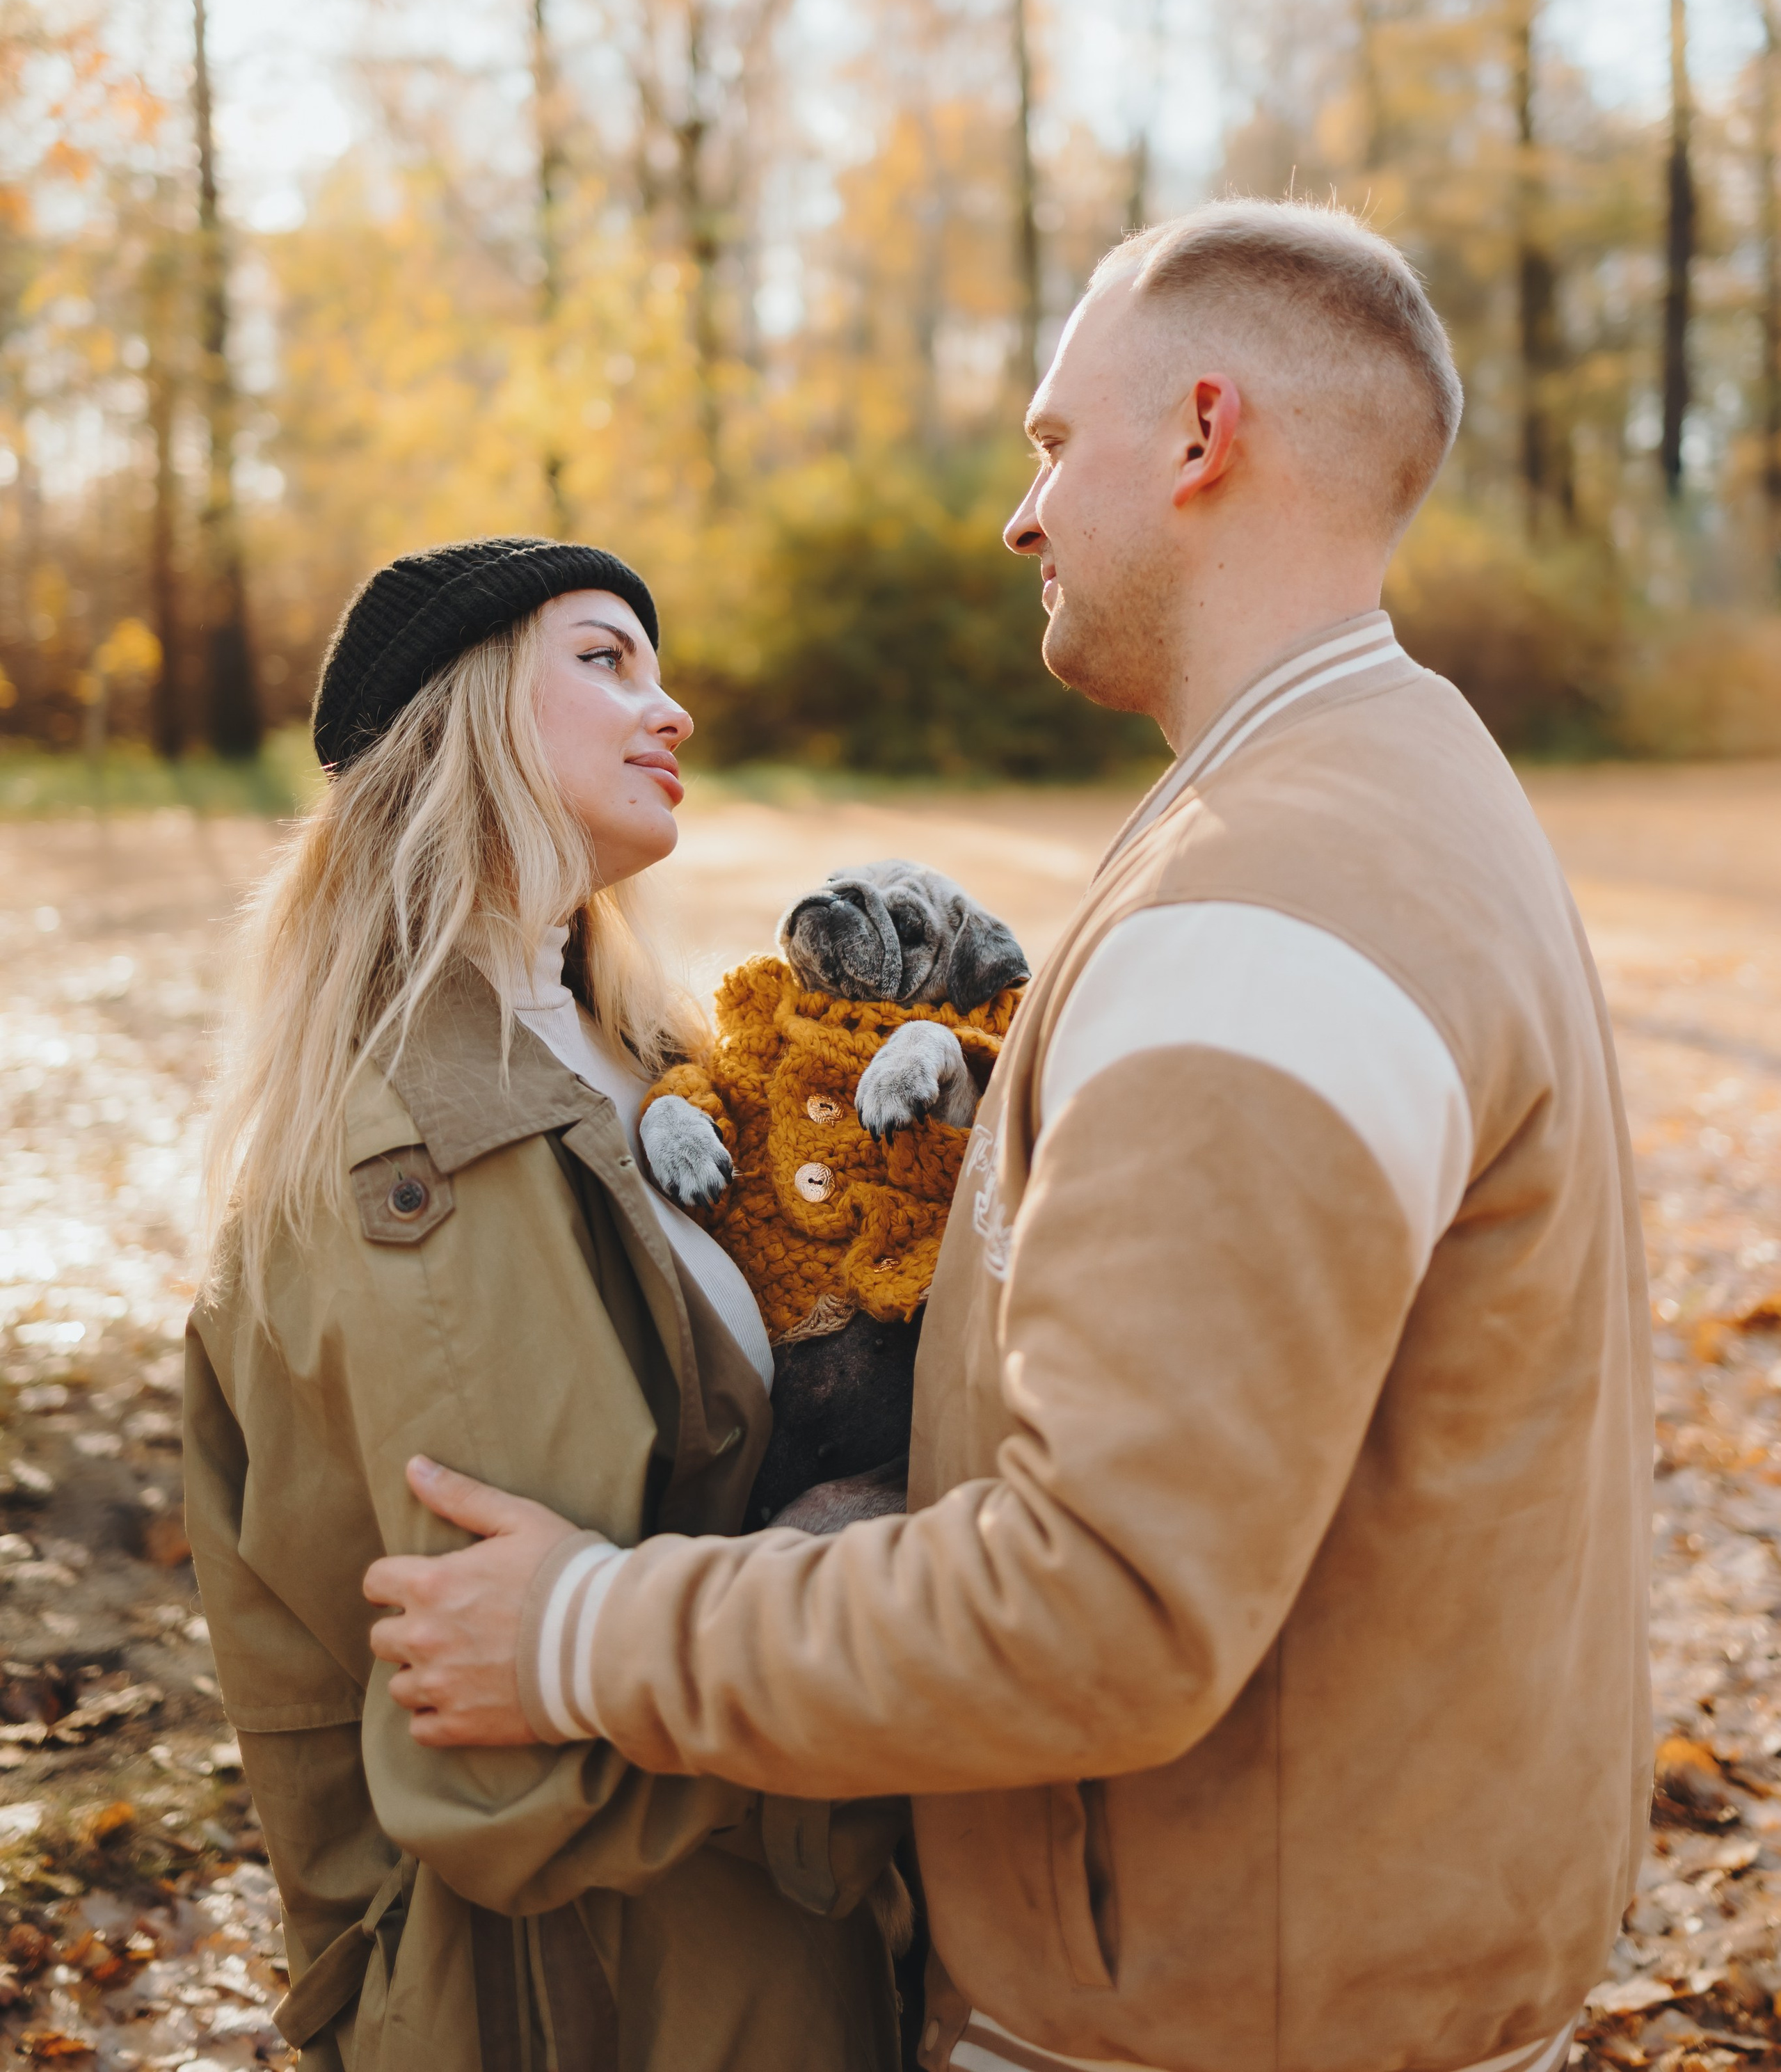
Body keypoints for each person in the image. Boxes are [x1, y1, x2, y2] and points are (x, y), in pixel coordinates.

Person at [365, 205, 1654, 2072]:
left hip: (1218, 2017)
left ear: (1204, 436)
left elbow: (1104, 1604)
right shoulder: (1397, 785)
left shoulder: (1264, 913)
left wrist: (582, 1636)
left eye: (1057, 442)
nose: (1020, 513)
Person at [184, 536, 902, 2072]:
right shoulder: (414, 1158)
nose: (673, 710)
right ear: (460, 720)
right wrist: (887, 1578)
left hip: (763, 1950)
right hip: (605, 1997)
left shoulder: (643, 1066)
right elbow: (521, 1766)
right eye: (604, 659)